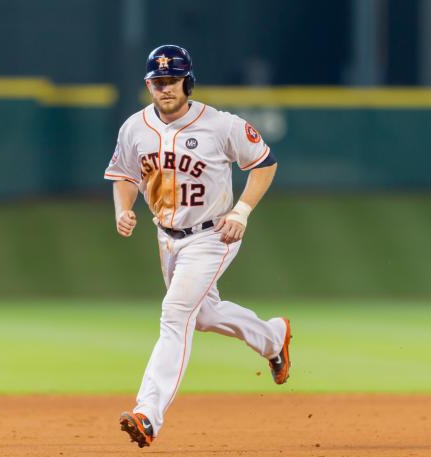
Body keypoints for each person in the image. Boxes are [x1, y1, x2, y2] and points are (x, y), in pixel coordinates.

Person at [104, 44, 291, 448]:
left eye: (172, 81)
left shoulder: (221, 125)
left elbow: (265, 162)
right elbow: (123, 173)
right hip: (166, 237)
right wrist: (123, 208)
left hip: (213, 235)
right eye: (158, 82)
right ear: (148, 85)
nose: (165, 88)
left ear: (187, 82)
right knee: (201, 315)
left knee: (175, 314)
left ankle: (147, 414)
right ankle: (273, 338)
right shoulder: (134, 127)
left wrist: (240, 212)